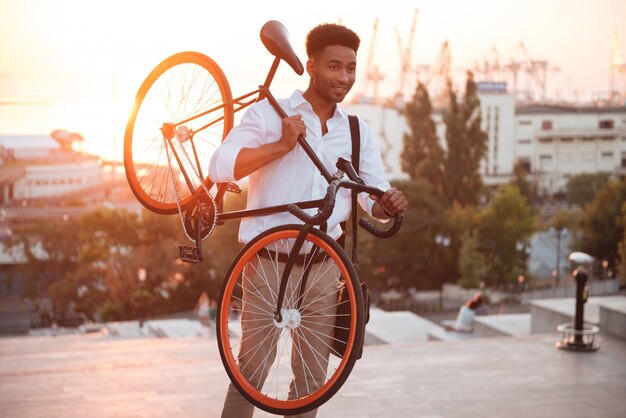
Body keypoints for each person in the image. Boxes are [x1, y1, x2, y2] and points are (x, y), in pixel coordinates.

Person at [209, 22, 408, 418]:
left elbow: (373, 199)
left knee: (312, 380)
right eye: (335, 67)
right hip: (267, 262)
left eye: (351, 68)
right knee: (250, 370)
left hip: (323, 267)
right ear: (311, 65)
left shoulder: (356, 130)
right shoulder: (269, 114)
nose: (345, 77)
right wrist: (280, 145)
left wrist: (389, 203)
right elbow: (219, 166)